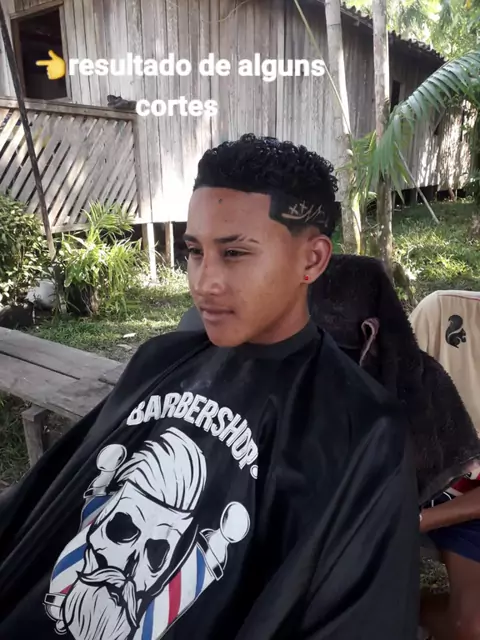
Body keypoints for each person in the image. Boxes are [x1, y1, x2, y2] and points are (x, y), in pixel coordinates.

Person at [0, 134, 419, 639]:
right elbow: (49, 502)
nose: (203, 282)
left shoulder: (361, 427)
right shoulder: (160, 359)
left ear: (311, 260)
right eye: (194, 251)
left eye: (235, 253)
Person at [410, 290, 480, 640]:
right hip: (414, 486)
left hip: (469, 509)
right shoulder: (443, 312)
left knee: (472, 627)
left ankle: (407, 612)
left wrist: (416, 521)